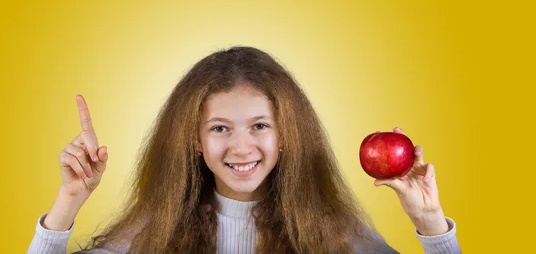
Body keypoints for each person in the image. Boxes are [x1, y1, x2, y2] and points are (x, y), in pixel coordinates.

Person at [27, 46, 462, 254]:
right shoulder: (149, 236)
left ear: (286, 134)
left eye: (259, 126)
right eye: (219, 128)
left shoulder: (336, 238)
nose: (241, 146)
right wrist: (67, 203)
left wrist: (430, 223)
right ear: (195, 141)